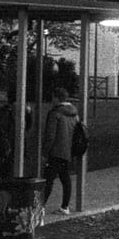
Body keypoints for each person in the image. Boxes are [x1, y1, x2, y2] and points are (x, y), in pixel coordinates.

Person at [41, 87, 78, 215]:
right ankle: (64, 206)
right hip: (68, 152)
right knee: (65, 178)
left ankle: (40, 206)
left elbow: (50, 135)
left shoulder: (54, 113)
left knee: (48, 179)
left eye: (53, 97)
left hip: (56, 151)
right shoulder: (74, 114)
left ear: (56, 98)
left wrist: (45, 152)